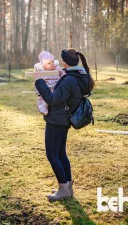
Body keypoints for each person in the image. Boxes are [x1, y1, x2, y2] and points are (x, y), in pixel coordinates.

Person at [34, 48, 94, 201]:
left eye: (62, 60)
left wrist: (39, 81)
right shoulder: (78, 75)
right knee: (60, 153)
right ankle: (67, 187)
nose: (59, 63)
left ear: (65, 62)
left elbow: (53, 99)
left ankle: (63, 189)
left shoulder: (69, 80)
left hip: (57, 121)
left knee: (52, 154)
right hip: (64, 119)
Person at [34, 51, 65, 115]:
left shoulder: (57, 68)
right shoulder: (42, 72)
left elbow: (63, 74)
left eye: (53, 62)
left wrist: (62, 74)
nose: (52, 64)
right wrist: (38, 92)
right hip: (47, 88)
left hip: (56, 87)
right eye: (49, 63)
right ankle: (43, 108)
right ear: (44, 66)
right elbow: (39, 83)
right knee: (44, 100)